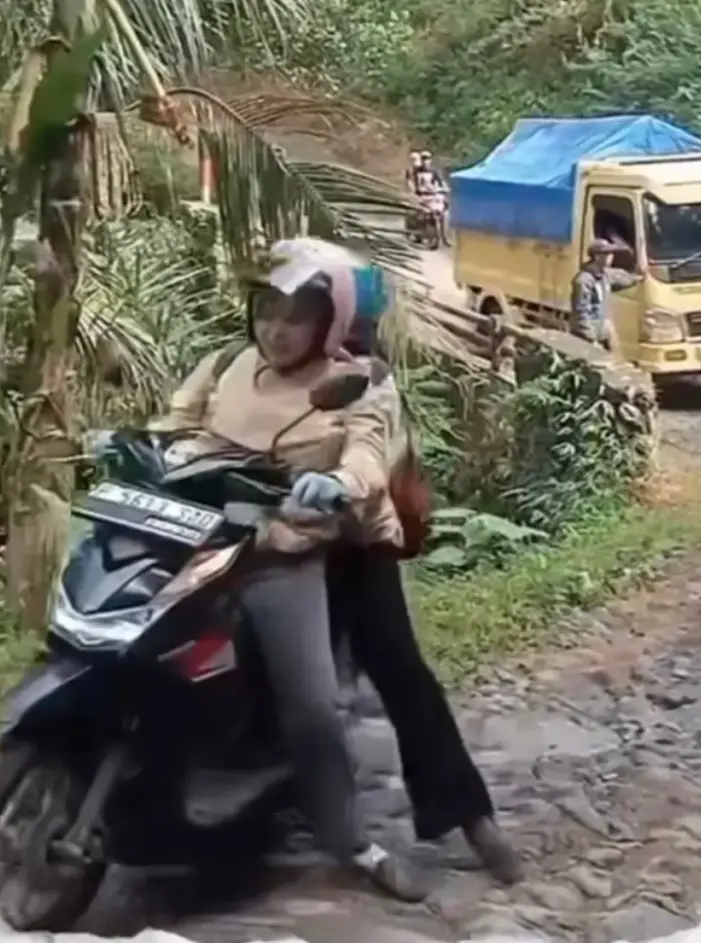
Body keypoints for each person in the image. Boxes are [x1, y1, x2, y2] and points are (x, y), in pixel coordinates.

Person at [153, 243, 425, 901]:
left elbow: (367, 458)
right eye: (266, 313)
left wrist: (336, 484)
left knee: (313, 707)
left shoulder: (358, 382)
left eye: (296, 318)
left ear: (328, 325)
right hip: (191, 538)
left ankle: (350, 839)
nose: (275, 330)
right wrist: (149, 443)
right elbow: (174, 421)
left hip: (277, 554)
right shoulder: (227, 363)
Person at [328, 304, 523, 886]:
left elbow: (370, 462)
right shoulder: (248, 372)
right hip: (268, 537)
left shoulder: (368, 381)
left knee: (401, 670)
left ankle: (469, 815)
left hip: (353, 544)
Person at [570, 237, 642, 348]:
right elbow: (581, 313)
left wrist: (639, 278)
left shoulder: (604, 275)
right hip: (589, 335)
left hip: (604, 329)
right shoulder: (583, 281)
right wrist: (591, 340)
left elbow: (623, 279)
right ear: (597, 256)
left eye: (611, 253)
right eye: (607, 253)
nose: (611, 256)